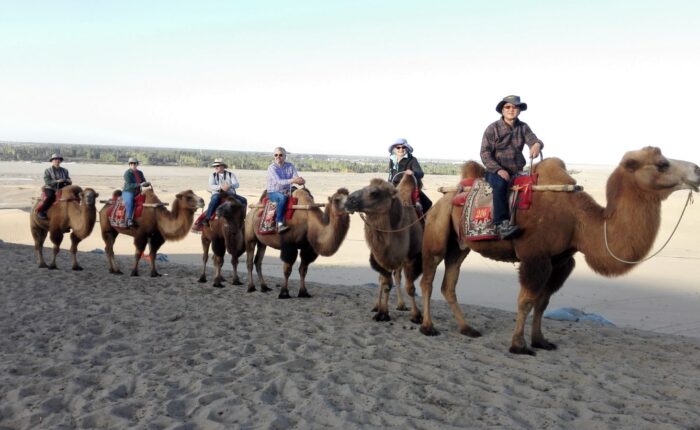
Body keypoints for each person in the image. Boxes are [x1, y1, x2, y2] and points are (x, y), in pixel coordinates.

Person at [480, 95, 543, 240]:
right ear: (502, 110)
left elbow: (534, 140)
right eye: (507, 107)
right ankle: (500, 224)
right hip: (495, 170)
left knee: (537, 184)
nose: (511, 110)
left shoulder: (523, 127)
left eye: (515, 107)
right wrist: (498, 169)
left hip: (518, 170)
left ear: (519, 110)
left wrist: (537, 145)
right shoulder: (492, 128)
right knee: (500, 184)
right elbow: (484, 153)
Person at [387, 138, 432, 212]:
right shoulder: (392, 160)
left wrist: (413, 172)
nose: (401, 149)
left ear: (407, 148)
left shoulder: (412, 160)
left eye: (403, 147)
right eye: (398, 147)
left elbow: (420, 173)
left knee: (427, 203)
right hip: (393, 187)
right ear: (394, 149)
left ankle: (423, 221)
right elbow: (390, 175)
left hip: (408, 188)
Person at [266, 147, 305, 233]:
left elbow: (295, 177)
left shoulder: (290, 166)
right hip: (274, 192)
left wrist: (300, 181)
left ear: (285, 156)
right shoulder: (272, 168)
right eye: (276, 155)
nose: (278, 157)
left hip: (288, 190)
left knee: (305, 194)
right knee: (283, 198)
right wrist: (293, 181)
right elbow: (279, 182)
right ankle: (279, 223)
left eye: (280, 155)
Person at [202, 158, 248, 226]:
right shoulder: (213, 175)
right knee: (214, 199)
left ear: (222, 166)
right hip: (217, 193)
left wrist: (230, 186)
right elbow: (211, 185)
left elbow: (237, 184)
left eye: (217, 166)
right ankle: (207, 218)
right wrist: (221, 187)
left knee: (244, 200)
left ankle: (242, 218)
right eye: (215, 166)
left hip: (230, 194)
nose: (216, 167)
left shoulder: (230, 174)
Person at [38, 153, 72, 219]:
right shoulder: (47, 170)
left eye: (58, 159)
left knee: (71, 197)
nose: (57, 161)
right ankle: (42, 211)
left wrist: (67, 180)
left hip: (62, 188)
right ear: (52, 161)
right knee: (51, 196)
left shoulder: (65, 170)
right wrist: (56, 181)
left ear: (60, 161)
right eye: (55, 159)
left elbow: (68, 179)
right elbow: (47, 181)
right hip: (50, 188)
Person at [122, 157, 150, 228]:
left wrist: (146, 183)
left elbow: (143, 180)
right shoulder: (127, 173)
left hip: (138, 191)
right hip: (128, 191)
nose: (133, 165)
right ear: (129, 165)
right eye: (131, 163)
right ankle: (129, 219)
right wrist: (140, 184)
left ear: (137, 164)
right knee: (130, 201)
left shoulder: (140, 173)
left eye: (135, 163)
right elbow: (129, 185)